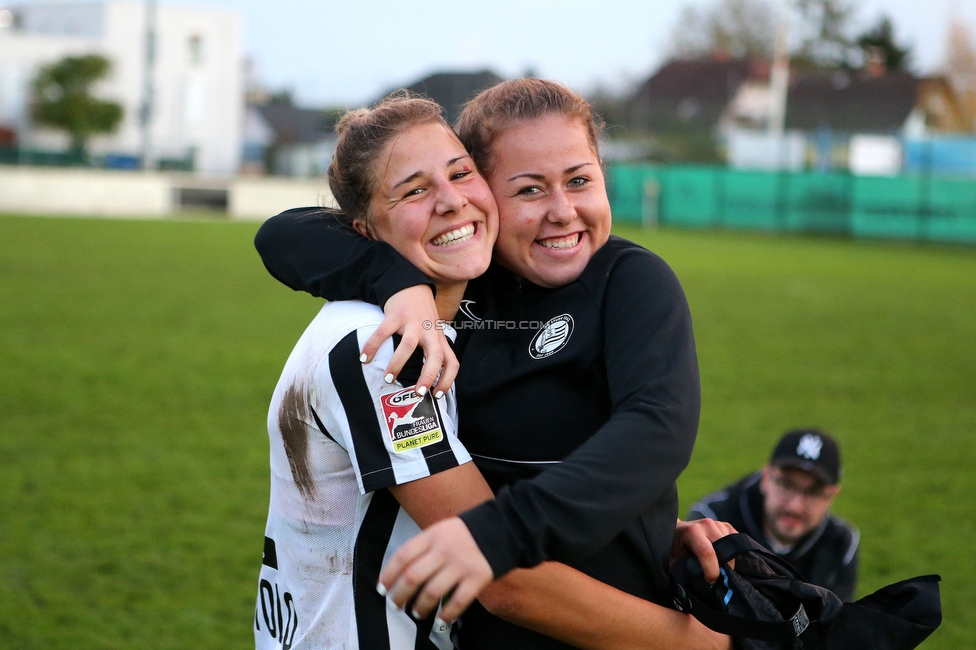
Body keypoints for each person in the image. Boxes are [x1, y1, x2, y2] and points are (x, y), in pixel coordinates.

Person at [255, 79, 732, 649]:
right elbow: (284, 232)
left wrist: (650, 532)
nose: (562, 211)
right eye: (529, 189)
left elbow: (656, 427)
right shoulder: (403, 332)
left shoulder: (628, 280)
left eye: (580, 180)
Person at [687, 428, 860, 602]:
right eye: (786, 485)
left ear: (832, 496)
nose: (795, 507)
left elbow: (837, 624)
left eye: (814, 493)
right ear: (766, 478)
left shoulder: (842, 544)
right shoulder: (712, 521)